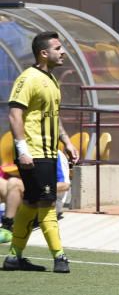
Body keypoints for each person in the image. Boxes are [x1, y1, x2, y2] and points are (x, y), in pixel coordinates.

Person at [4, 32, 80, 273]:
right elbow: (15, 115)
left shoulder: (51, 79)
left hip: (47, 152)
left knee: (31, 203)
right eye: (58, 48)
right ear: (44, 53)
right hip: (34, 153)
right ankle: (60, 257)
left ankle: (14, 257)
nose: (63, 52)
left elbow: (52, 117)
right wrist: (22, 150)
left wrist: (66, 142)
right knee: (47, 204)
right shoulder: (28, 78)